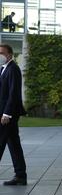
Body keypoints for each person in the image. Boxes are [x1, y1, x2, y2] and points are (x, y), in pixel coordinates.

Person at [0, 44, 27, 186]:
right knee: (14, 144)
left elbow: (13, 94)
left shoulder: (13, 69)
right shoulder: (3, 69)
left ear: (9, 54)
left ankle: (21, 175)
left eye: (1, 53)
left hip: (7, 115)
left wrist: (7, 114)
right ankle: (21, 175)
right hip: (5, 113)